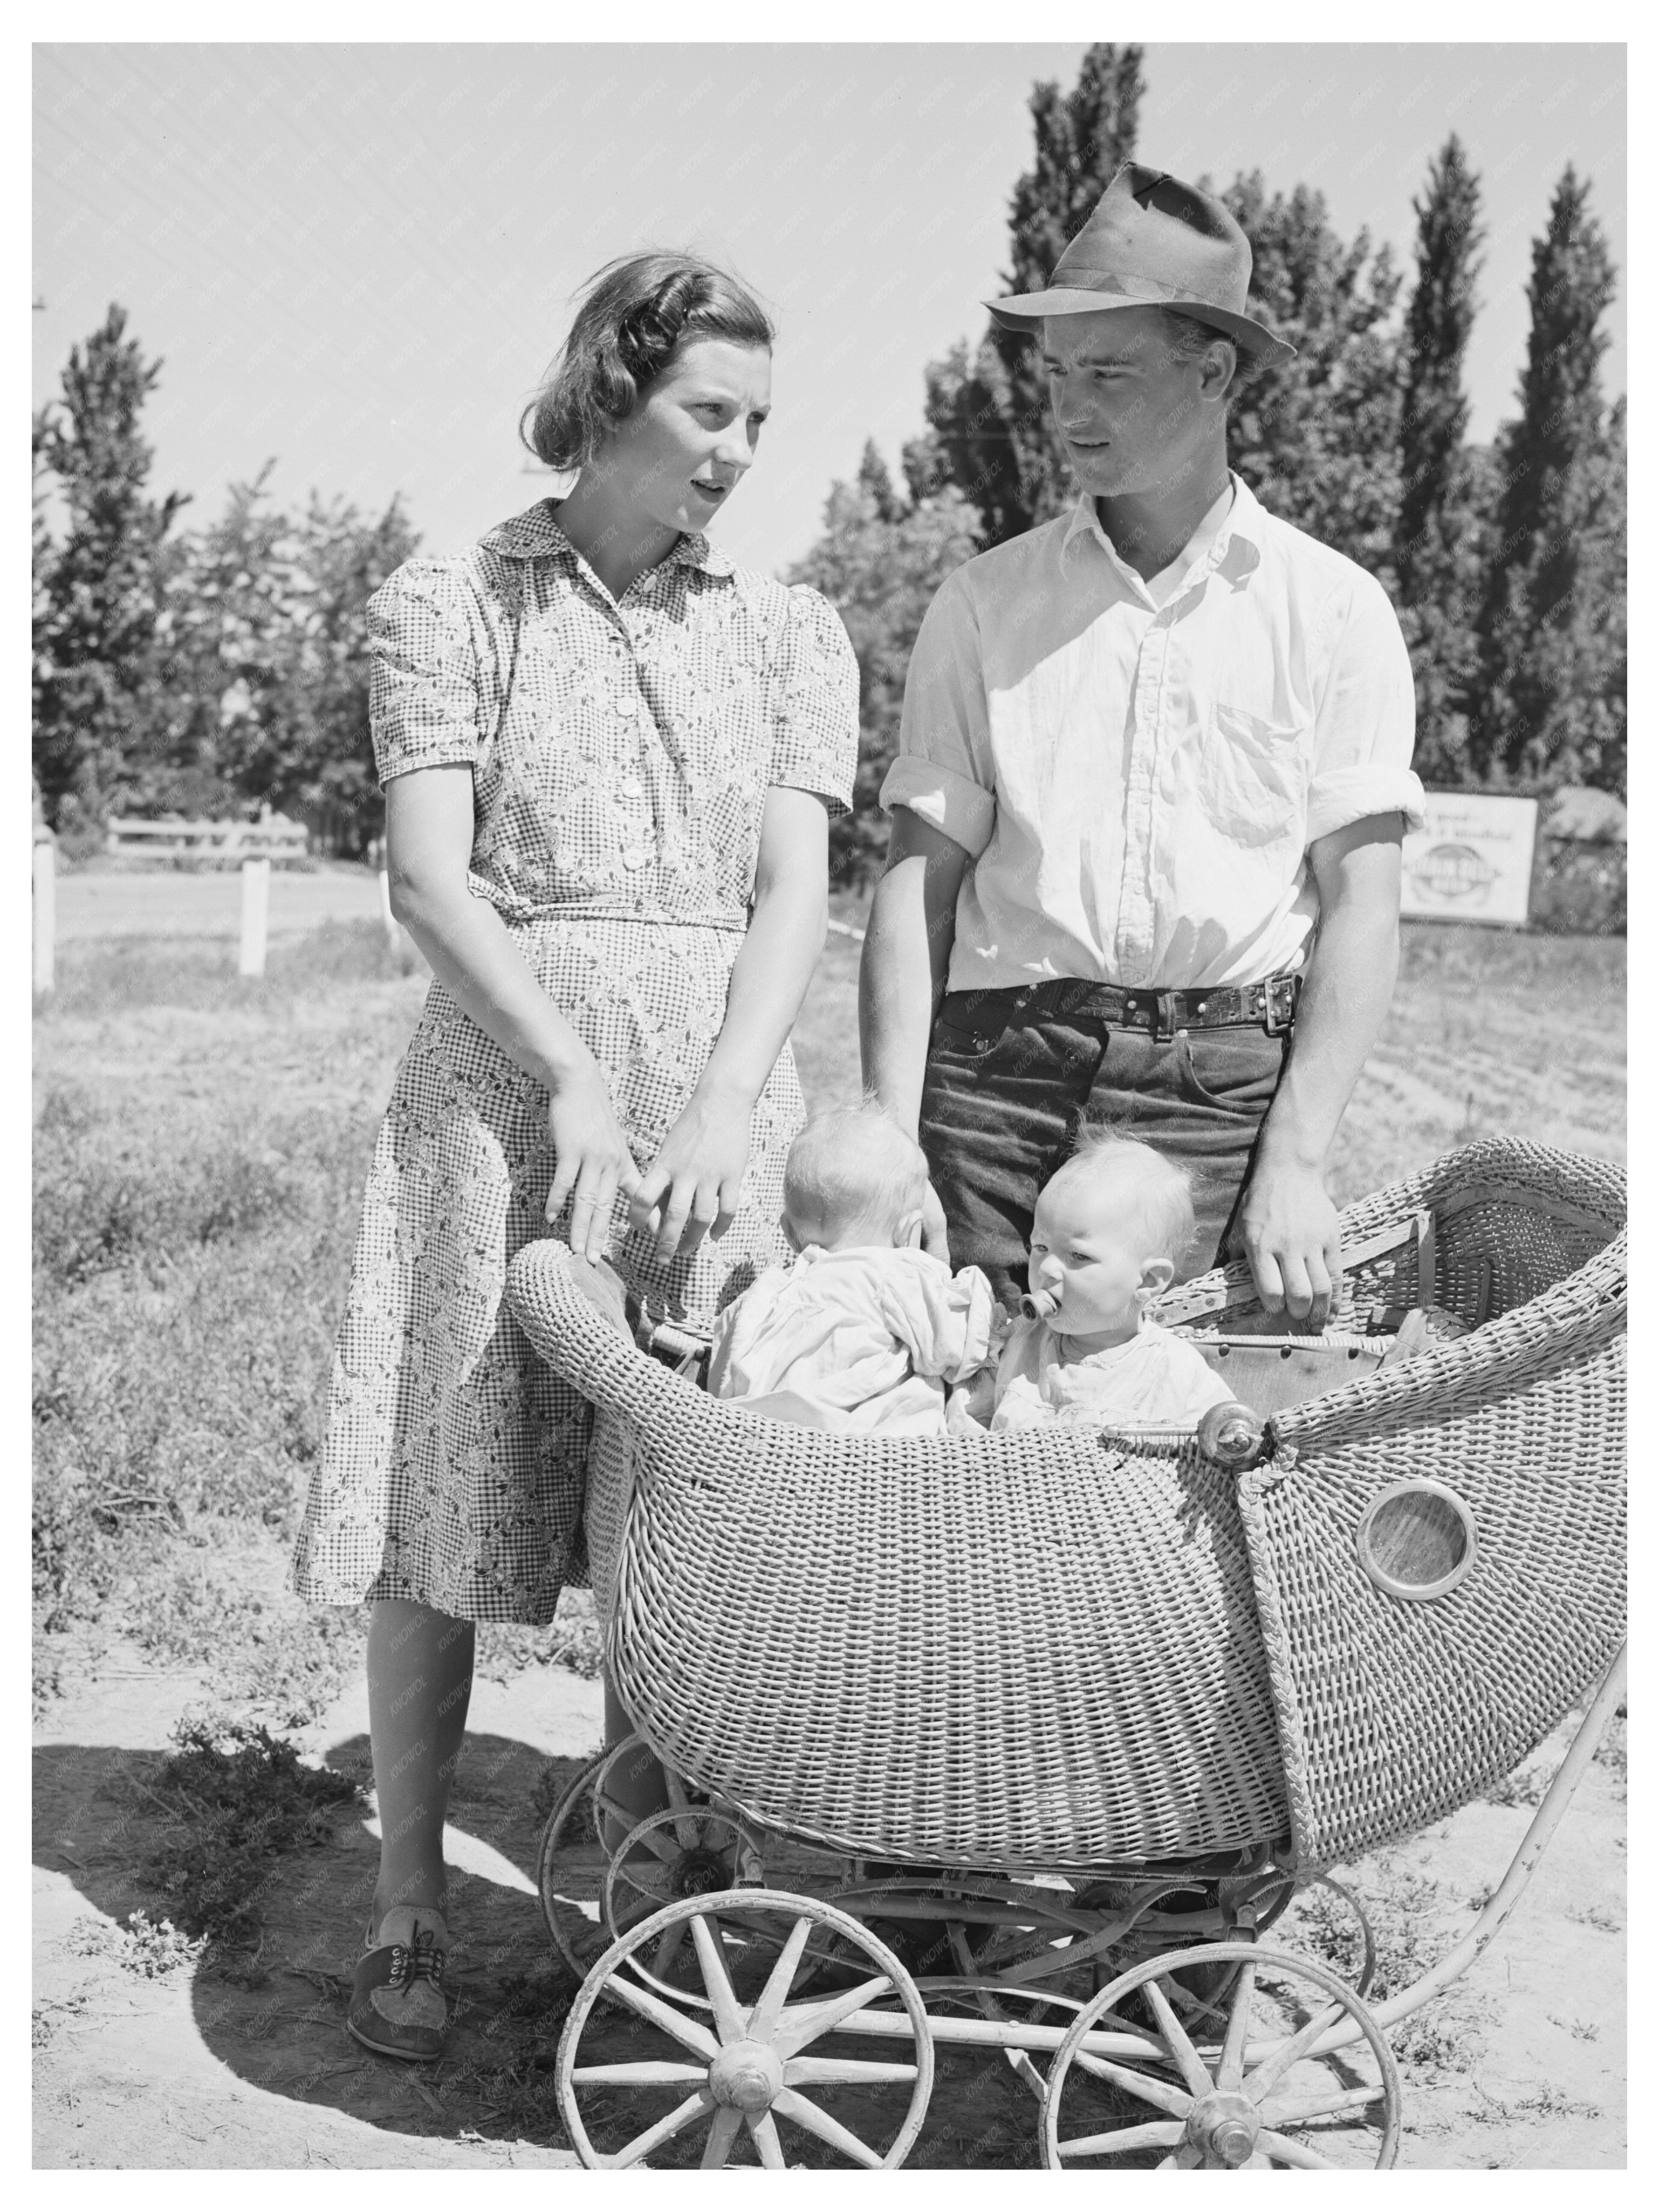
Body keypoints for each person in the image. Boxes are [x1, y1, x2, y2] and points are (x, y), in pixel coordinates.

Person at [288, 250, 858, 2060]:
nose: (737, 454)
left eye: (759, 423)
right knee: (445, 1507)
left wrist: (713, 1102)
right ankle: (403, 1910)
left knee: (685, 1506)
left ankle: (653, 1885)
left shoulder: (791, 631)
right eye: (710, 411)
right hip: (494, 1094)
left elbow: (792, 895)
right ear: (612, 391)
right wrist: (569, 1082)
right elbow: (428, 881)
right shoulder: (451, 596)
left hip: (710, 1112)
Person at [860, 162, 1425, 1333]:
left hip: (1217, 1095)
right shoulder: (981, 605)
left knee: (1171, 1449)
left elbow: (1362, 908)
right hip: (989, 1083)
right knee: (964, 1418)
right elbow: (918, 887)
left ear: (1213, 370)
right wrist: (886, 1139)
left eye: (1109, 373)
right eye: (1059, 373)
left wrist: (1300, 1162)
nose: (1070, 410)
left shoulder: (1334, 611)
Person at [707, 1105, 998, 1433]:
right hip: (872, 1461)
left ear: (788, 1233)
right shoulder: (891, 1273)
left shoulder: (761, 1296)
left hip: (767, 1451)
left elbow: (721, 1378)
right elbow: (963, 1343)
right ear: (908, 1231)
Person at [982, 1131, 1234, 1433]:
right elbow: (967, 1422)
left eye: (1077, 1255)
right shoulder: (1018, 1343)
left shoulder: (1176, 1373)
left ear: (1149, 1281)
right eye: (1040, 1247)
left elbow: (1225, 1445)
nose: (1047, 1268)